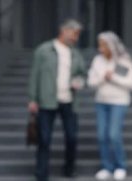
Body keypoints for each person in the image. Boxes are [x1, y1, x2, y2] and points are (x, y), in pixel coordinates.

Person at [28, 19, 86, 181]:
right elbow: (35, 75)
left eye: (77, 35)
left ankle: (69, 169)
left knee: (72, 137)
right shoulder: (44, 50)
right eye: (75, 34)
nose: (76, 38)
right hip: (47, 101)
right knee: (44, 139)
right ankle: (41, 174)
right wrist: (32, 99)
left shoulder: (75, 53)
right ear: (65, 31)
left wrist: (78, 81)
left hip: (69, 101)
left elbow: (82, 74)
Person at [87, 31, 132, 181]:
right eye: (99, 45)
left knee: (114, 135)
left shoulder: (124, 60)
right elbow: (90, 82)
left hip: (119, 102)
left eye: (102, 45)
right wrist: (103, 78)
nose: (100, 48)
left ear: (111, 45)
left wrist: (113, 77)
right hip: (101, 102)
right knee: (102, 136)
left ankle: (120, 166)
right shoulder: (97, 60)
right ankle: (107, 167)